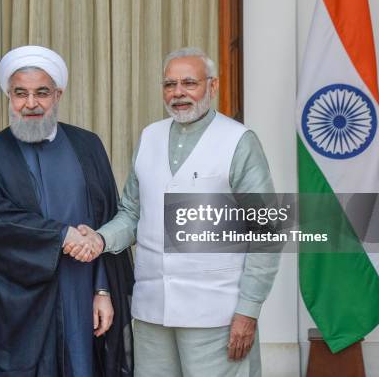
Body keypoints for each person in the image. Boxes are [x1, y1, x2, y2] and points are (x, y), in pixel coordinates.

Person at [65, 47, 280, 377]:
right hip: (153, 312)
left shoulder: (238, 141)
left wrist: (248, 310)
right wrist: (98, 238)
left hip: (216, 314)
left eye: (189, 83)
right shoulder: (150, 137)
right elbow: (131, 214)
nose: (178, 93)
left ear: (213, 85)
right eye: (169, 84)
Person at [0, 45, 134, 377]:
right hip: (20, 300)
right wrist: (61, 235)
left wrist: (102, 290)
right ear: (9, 97)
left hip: (81, 287)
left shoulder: (87, 146)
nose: (31, 103)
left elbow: (105, 220)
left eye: (41, 93)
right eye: (21, 94)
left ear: (58, 94)